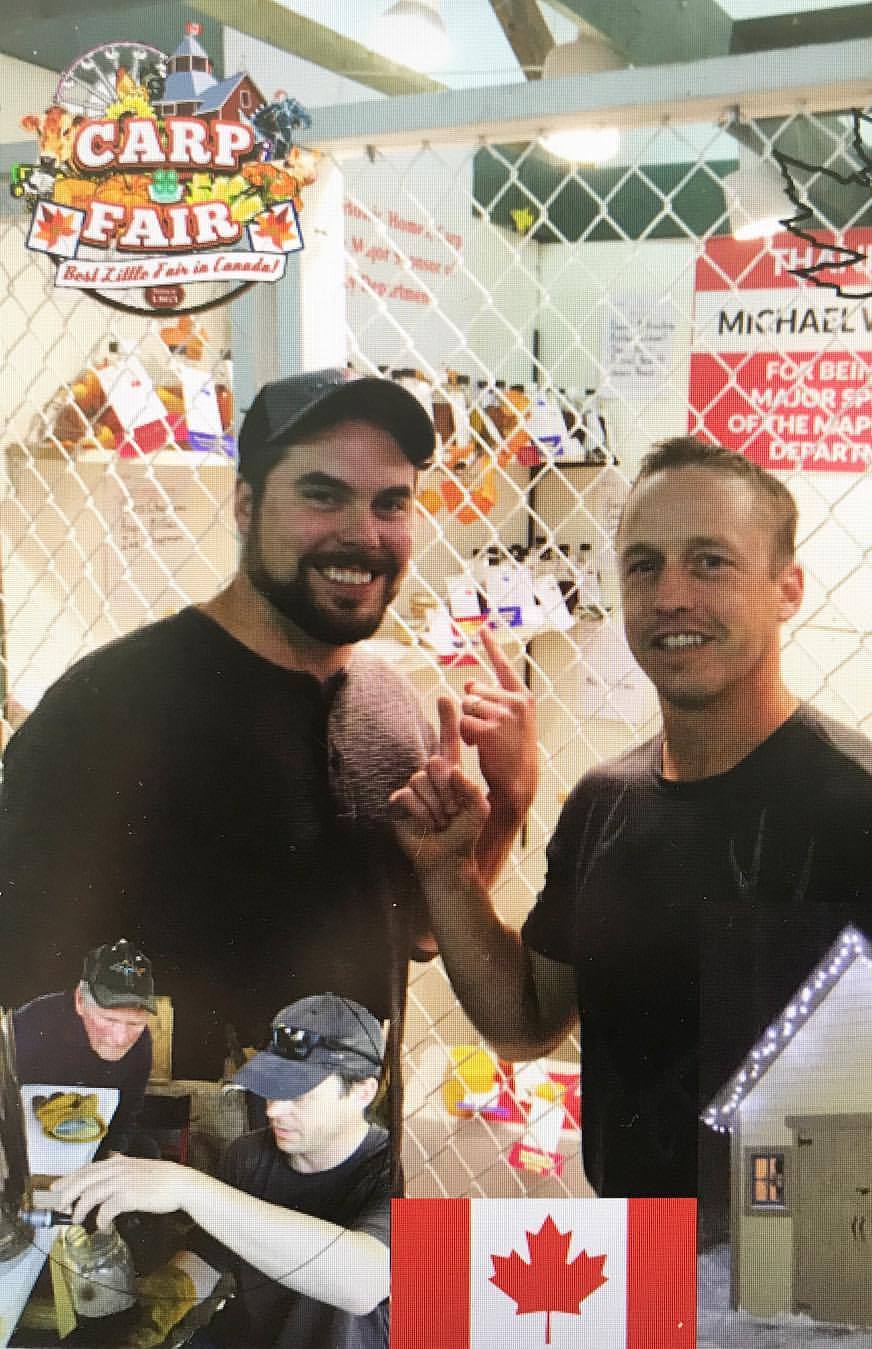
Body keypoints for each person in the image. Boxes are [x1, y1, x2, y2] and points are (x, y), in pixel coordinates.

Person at [390, 436, 872, 1198]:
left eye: (710, 560)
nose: (672, 593)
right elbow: (527, 1018)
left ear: (787, 588)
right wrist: (448, 872)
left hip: (818, 1288)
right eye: (645, 564)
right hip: (637, 1259)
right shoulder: (605, 803)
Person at [0, 369, 538, 1102]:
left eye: (391, 503)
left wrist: (507, 802)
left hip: (352, 1201)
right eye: (323, 495)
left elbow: (416, 935)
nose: (363, 534)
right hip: (157, 1202)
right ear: (246, 505)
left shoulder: (395, 710)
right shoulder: (107, 711)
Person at [53, 993, 393, 1349]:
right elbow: (208, 1255)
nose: (274, 1110)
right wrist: (161, 1303)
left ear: (362, 1092)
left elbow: (365, 1283)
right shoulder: (248, 1155)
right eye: (272, 1087)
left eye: (299, 1094)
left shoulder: (412, 1178)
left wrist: (187, 1186)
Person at [14, 937, 155, 1157]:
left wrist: (112, 1158)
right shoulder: (28, 1025)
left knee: (147, 1151)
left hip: (95, 1140)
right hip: (26, 1142)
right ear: (80, 1000)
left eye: (134, 1023)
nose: (120, 1039)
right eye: (109, 1020)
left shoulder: (142, 1041)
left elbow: (127, 1116)